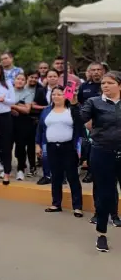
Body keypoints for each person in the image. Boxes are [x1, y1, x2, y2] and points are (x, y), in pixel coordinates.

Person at [80, 71, 121, 252]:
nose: (105, 85)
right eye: (103, 83)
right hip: (102, 153)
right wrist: (73, 103)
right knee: (104, 195)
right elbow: (81, 118)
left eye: (110, 82)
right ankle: (101, 235)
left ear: (119, 85)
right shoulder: (94, 102)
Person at [36, 86, 84, 218]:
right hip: (51, 147)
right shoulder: (47, 111)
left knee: (72, 177)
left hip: (68, 147)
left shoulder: (71, 110)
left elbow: (80, 124)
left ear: (65, 96)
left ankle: (77, 206)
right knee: (56, 176)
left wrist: (74, 102)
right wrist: (37, 144)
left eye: (59, 94)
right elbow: (40, 128)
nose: (56, 96)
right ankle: (56, 203)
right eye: (54, 94)